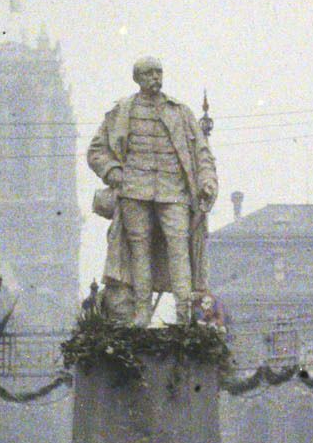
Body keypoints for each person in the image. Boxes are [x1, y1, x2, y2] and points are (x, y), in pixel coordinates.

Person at [88, 55, 217, 327]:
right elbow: (96, 151)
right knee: (139, 250)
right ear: (137, 78)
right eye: (148, 73)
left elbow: (202, 153)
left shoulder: (181, 113)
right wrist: (113, 171)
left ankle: (185, 314)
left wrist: (207, 182)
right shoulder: (121, 111)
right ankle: (141, 312)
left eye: (158, 73)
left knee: (179, 248)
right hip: (135, 191)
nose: (155, 78)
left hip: (175, 192)